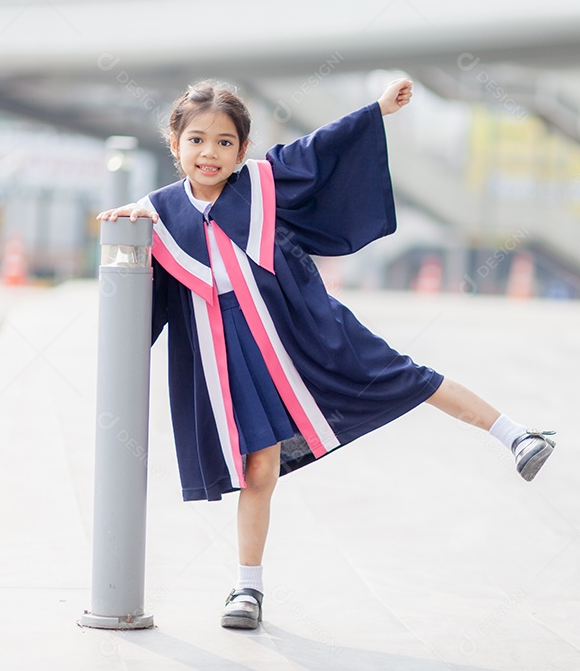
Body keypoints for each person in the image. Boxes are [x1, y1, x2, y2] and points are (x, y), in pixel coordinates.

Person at [97, 77, 555, 630]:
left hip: (307, 333)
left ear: (242, 150)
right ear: (175, 144)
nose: (209, 153)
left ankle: (516, 435)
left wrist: (378, 111)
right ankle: (247, 589)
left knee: (407, 377)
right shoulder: (159, 215)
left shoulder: (264, 185)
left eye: (224, 142)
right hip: (234, 363)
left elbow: (320, 149)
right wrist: (126, 227)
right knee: (258, 467)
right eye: (196, 140)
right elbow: (138, 283)